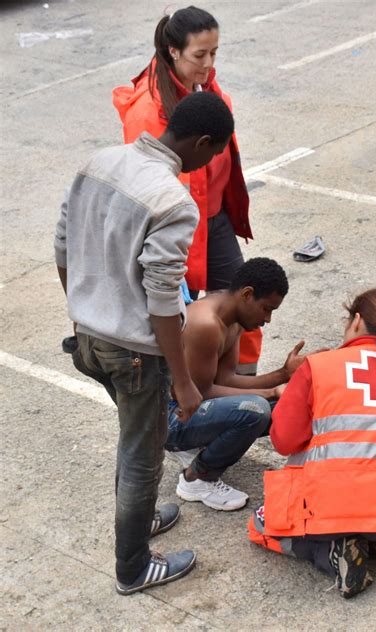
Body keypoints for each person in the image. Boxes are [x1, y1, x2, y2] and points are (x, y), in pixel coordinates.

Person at [54, 92, 235, 595]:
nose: (209, 164)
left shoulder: (100, 161)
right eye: (214, 154)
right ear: (202, 143)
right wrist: (183, 381)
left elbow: (63, 244)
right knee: (142, 456)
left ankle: (141, 521)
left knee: (133, 442)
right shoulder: (173, 200)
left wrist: (83, 311)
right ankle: (133, 567)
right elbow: (161, 300)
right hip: (135, 352)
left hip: (88, 339)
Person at [248, 289, 376, 599]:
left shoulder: (318, 367)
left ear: (356, 320)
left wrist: (289, 397)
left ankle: (329, 551)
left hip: (330, 507)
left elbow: (284, 441)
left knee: (260, 525)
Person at [112, 5, 262, 376]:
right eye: (200, 54)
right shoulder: (147, 112)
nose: (209, 63)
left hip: (214, 218)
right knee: (176, 315)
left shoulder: (204, 86)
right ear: (173, 51)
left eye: (214, 53)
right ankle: (186, 392)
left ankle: (244, 386)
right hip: (175, 226)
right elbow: (146, 190)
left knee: (243, 306)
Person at [165, 258, 306, 511]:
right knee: (256, 410)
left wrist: (285, 374)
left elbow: (226, 379)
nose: (268, 319)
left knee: (290, 403)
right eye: (266, 309)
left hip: (197, 407)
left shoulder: (235, 320)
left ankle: (204, 446)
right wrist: (271, 391)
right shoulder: (206, 324)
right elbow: (201, 393)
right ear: (247, 294)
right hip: (172, 419)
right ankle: (197, 480)